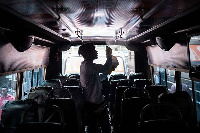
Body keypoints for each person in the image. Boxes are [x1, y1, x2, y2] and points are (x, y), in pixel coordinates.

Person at [78, 43, 118, 133]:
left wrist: (107, 72)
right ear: (88, 53)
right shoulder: (88, 66)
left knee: (99, 126)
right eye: (94, 50)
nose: (96, 52)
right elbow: (105, 67)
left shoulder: (88, 65)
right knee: (100, 127)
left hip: (96, 102)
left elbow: (98, 78)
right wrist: (109, 56)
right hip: (94, 103)